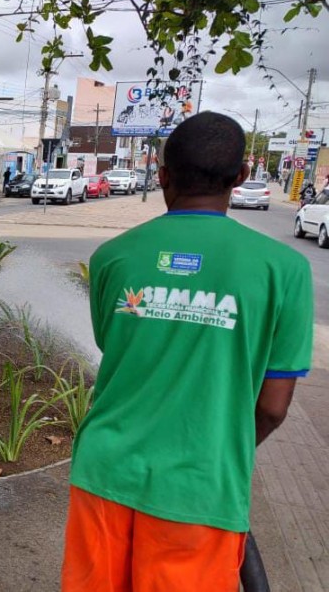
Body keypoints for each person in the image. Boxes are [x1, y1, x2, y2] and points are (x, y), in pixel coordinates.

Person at [62, 112, 313, 592]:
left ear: (162, 175)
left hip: (103, 473)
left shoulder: (113, 257)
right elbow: (273, 407)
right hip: (200, 487)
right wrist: (218, 446)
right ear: (240, 178)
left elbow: (117, 348)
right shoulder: (286, 270)